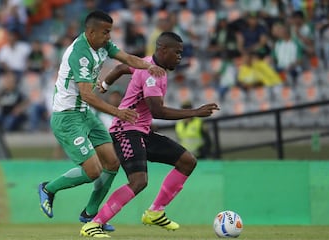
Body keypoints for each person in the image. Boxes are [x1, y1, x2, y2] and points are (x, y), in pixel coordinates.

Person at [80, 31, 219, 238]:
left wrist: (105, 85)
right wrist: (195, 112)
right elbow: (158, 111)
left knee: (187, 161)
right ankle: (93, 224)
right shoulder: (152, 75)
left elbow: (120, 68)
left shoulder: (146, 64)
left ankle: (155, 211)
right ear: (162, 50)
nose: (180, 57)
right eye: (177, 52)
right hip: (125, 131)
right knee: (139, 181)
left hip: (140, 132)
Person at [37, 10, 165, 232]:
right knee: (93, 171)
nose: (109, 37)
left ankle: (90, 214)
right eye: (105, 32)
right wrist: (118, 112)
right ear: (90, 32)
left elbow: (128, 58)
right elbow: (87, 94)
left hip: (86, 114)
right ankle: (48, 188)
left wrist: (149, 65)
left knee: (112, 163)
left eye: (110, 32)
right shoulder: (81, 54)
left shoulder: (102, 44)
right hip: (67, 117)